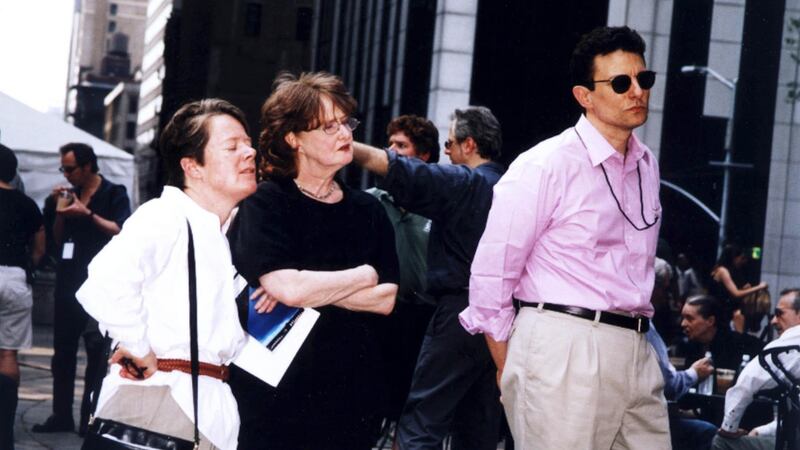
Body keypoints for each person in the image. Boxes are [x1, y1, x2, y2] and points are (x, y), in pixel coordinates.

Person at [460, 26, 670, 449]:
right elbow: (492, 274)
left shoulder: (647, 165)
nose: (637, 92)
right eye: (620, 83)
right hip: (563, 345)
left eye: (643, 79)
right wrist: (510, 363)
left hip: (637, 347)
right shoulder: (545, 165)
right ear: (584, 96)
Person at [75, 99, 262, 449]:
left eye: (248, 143)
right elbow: (103, 282)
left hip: (204, 409)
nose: (250, 153)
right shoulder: (166, 216)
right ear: (193, 167)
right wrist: (137, 346)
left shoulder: (222, 234)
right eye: (232, 146)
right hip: (161, 406)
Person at [228, 72, 399, 450]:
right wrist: (362, 274)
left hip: (353, 395)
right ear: (293, 139)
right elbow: (286, 288)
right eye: (328, 126)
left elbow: (386, 299)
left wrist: (304, 286)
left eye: (346, 123)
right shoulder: (266, 203)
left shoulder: (368, 209)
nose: (344, 134)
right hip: (273, 396)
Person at [352, 105, 505, 450]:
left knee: (422, 423)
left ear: (469, 145)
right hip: (503, 322)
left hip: (459, 316)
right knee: (478, 425)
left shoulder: (467, 183)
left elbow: (404, 172)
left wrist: (348, 145)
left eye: (450, 144)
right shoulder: (513, 187)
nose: (446, 152)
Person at [33, 142, 131, 435]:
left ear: (88, 165)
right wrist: (62, 212)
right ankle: (60, 415)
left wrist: (86, 214)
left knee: (95, 352)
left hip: (101, 284)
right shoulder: (63, 197)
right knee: (62, 352)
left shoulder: (114, 193)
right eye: (63, 168)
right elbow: (56, 239)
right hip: (68, 282)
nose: (66, 174)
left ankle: (89, 419)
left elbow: (120, 229)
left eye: (70, 168)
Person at [366, 114, 440, 424]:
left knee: (413, 409)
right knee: (372, 402)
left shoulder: (440, 207)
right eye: (390, 143)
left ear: (423, 156)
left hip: (424, 321)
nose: (391, 150)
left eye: (402, 145)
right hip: (378, 315)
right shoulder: (371, 203)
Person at [712, 288, 800, 450]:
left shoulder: (794, 339)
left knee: (721, 441)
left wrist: (728, 427)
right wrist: (761, 430)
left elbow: (749, 379)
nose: (773, 320)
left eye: (779, 313)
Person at [0, 144, 45, 448]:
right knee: (7, 354)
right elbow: (40, 249)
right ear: (13, 171)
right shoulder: (27, 204)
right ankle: (4, 432)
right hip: (14, 278)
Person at [680, 296, 764, 370]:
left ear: (710, 321)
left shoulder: (736, 345)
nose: (683, 324)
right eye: (683, 318)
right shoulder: (692, 346)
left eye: (689, 318)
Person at [709, 244, 767, 321]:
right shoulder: (723, 271)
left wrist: (744, 289)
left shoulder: (721, 269)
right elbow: (736, 294)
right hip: (719, 310)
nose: (743, 262)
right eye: (742, 258)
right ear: (734, 258)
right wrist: (759, 287)